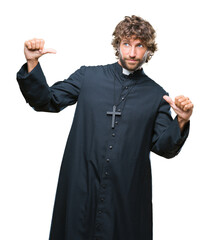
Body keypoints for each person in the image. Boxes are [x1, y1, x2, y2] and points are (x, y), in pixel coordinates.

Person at [16, 15, 193, 240]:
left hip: (125, 195)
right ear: (117, 44)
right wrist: (32, 63)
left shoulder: (157, 95)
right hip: (81, 185)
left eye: (140, 46)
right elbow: (46, 101)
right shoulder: (88, 76)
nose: (132, 52)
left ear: (149, 50)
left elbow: (164, 148)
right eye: (127, 43)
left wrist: (181, 120)